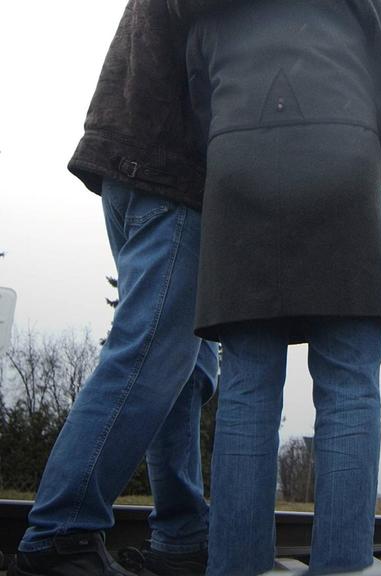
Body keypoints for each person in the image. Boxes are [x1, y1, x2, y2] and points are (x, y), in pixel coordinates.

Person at [184, 1, 381, 574]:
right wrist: (363, 158)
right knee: (349, 383)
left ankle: (236, 565)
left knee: (246, 385)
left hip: (237, 161)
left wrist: (232, 151)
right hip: (343, 155)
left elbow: (196, 100)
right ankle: (343, 564)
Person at [10, 2, 232, 575]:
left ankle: (183, 535)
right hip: (168, 175)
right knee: (149, 354)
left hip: (142, 170)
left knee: (186, 367)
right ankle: (62, 532)